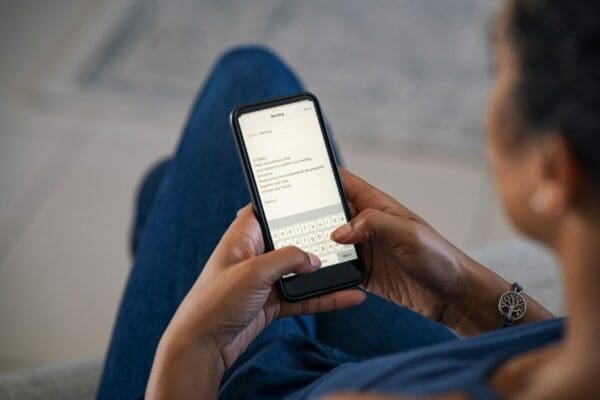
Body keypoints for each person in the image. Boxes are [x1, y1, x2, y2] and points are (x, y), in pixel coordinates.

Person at [97, 0, 600, 398]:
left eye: (500, 72)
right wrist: (458, 294)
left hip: (256, 382)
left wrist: (192, 346)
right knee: (173, 186)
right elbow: (561, 341)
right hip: (428, 362)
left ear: (553, 171)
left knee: (246, 79)